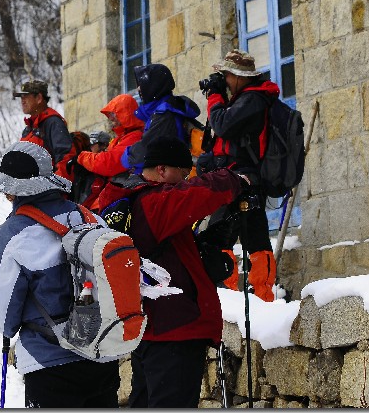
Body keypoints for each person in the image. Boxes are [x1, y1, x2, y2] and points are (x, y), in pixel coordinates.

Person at [97, 136, 246, 408]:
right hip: (173, 330)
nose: (185, 180)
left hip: (149, 327)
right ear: (162, 170)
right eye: (183, 173)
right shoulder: (153, 203)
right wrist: (235, 180)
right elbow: (198, 193)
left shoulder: (127, 201)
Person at [0, 141, 121, 408]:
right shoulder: (90, 219)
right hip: (102, 355)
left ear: (12, 190)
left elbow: (4, 319)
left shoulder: (15, 233)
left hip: (48, 363)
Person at [198, 49, 279, 302]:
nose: (223, 80)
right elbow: (227, 138)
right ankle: (232, 291)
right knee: (244, 236)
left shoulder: (252, 101)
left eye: (226, 75)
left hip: (244, 181)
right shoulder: (243, 100)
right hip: (236, 178)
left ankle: (242, 294)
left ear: (239, 76)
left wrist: (214, 97)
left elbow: (222, 124)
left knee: (226, 237)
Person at [122, 64, 201, 175]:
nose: (138, 89)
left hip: (169, 177)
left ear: (154, 86)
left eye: (142, 84)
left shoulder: (164, 114)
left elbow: (145, 153)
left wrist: (126, 156)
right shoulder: (167, 109)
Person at [72, 93, 144, 210]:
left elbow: (108, 163)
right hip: (115, 192)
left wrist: (81, 157)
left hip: (123, 193)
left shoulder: (134, 137)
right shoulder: (120, 138)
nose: (111, 118)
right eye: (111, 114)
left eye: (115, 113)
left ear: (125, 114)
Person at [13, 80, 76, 182]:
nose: (22, 100)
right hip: (30, 192)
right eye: (21, 97)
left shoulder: (53, 123)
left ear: (39, 98)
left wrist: (56, 187)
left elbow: (65, 158)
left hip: (47, 193)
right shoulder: (28, 129)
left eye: (26, 97)